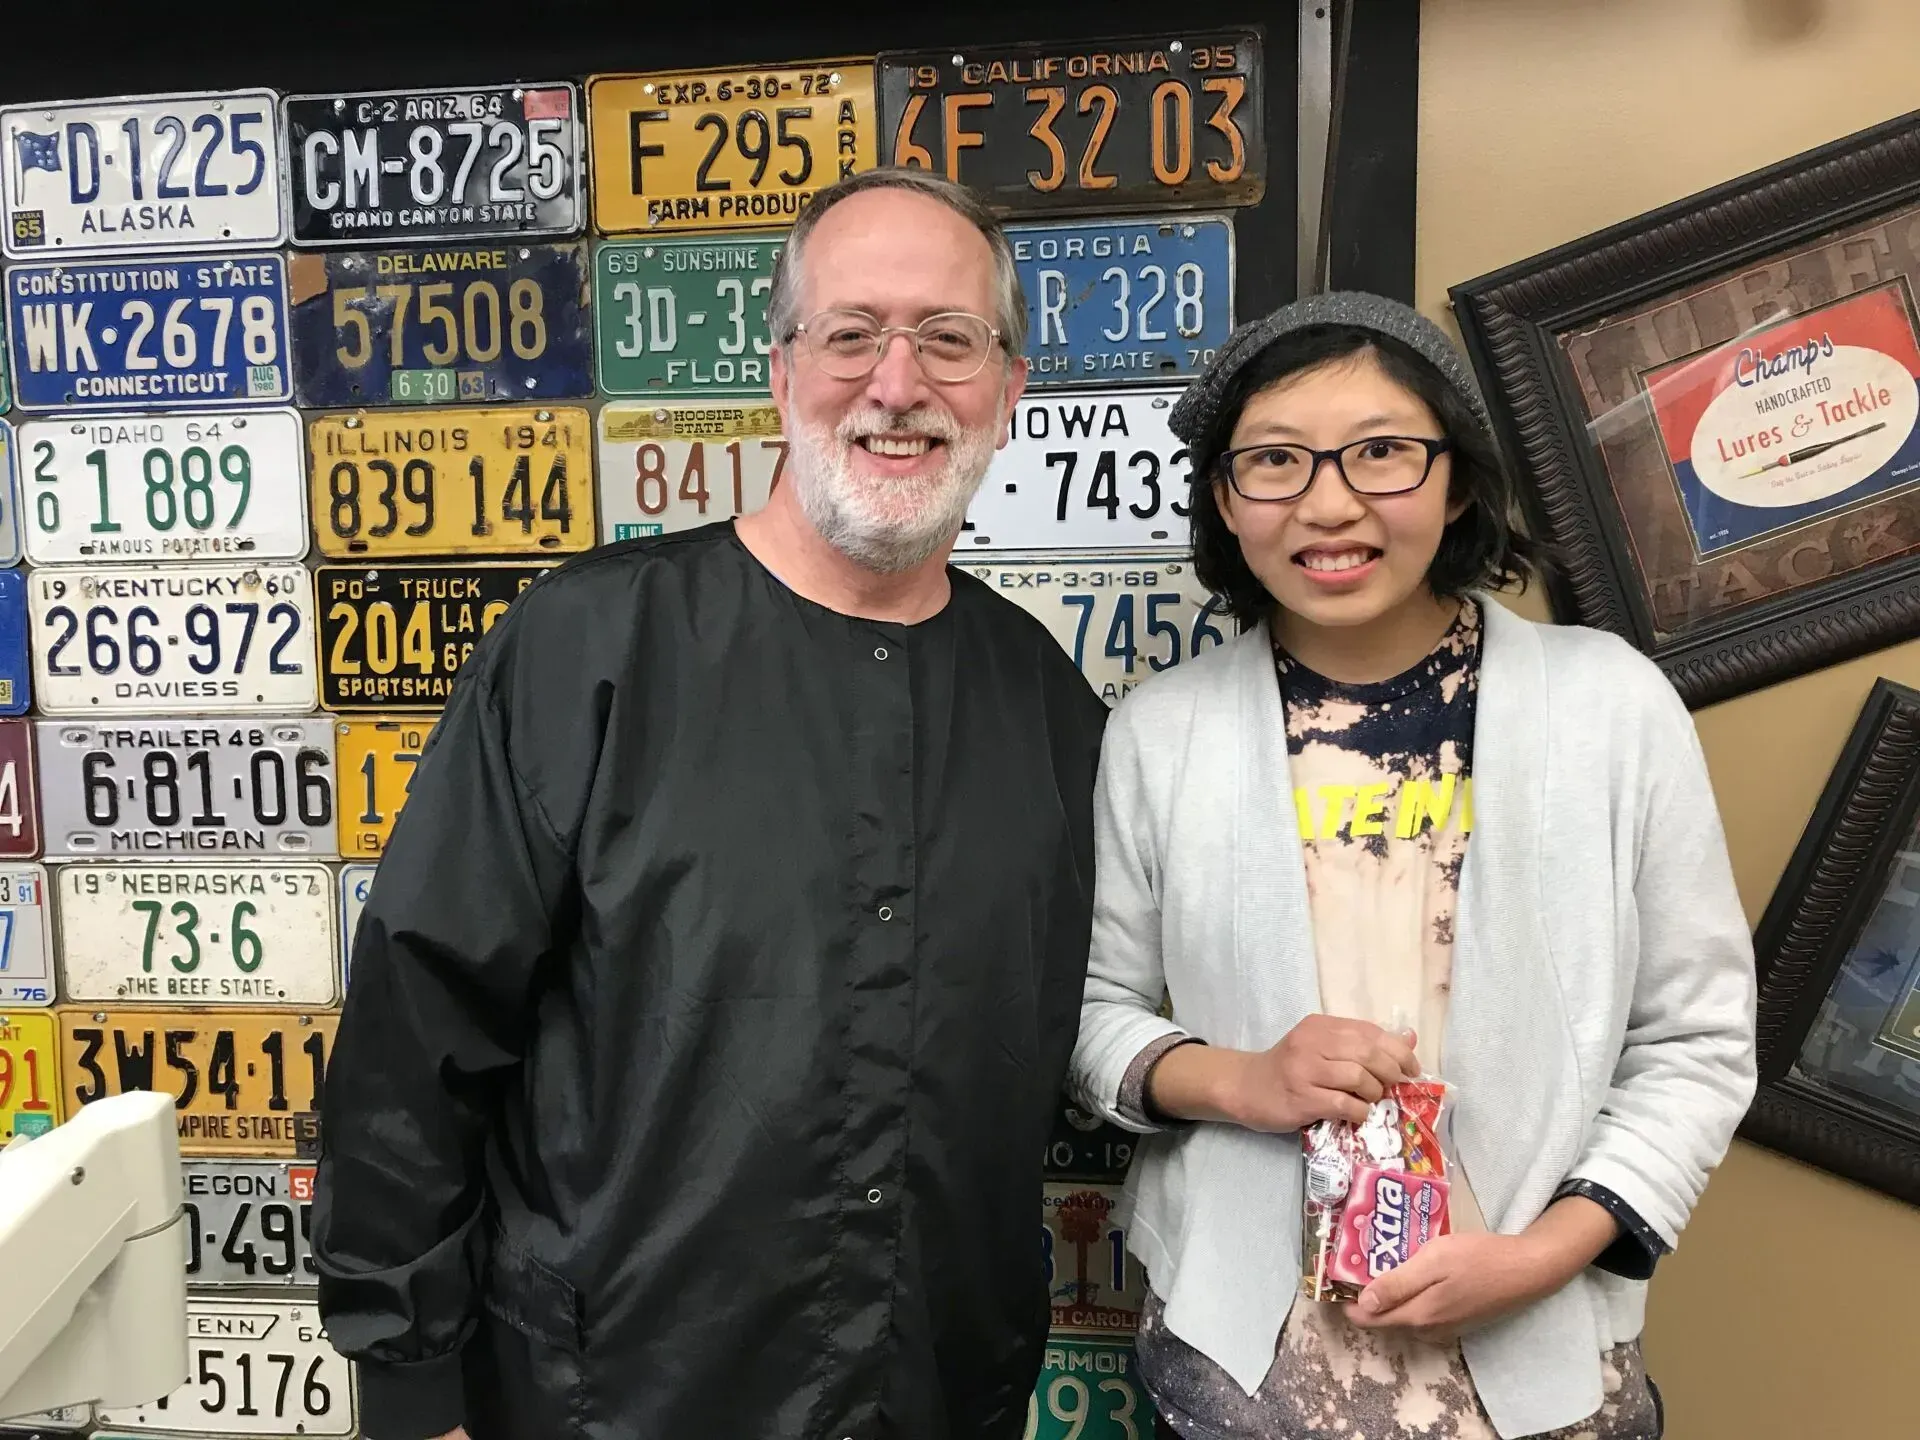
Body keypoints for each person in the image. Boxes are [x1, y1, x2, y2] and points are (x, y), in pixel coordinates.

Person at [311, 167, 1110, 1440]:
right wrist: (412, 1386)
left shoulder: (1049, 706)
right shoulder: (586, 650)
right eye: (850, 334)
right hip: (609, 1399)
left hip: (937, 1394)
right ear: (780, 372)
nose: (896, 384)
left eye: (950, 340)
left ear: (1009, 391)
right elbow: (418, 1033)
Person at [1068, 293, 1756, 1440]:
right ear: (1226, 500)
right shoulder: (1161, 732)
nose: (1329, 502)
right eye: (1275, 461)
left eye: (1381, 451)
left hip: (1543, 1379)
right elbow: (1093, 1014)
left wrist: (1549, 1252)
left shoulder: (1611, 709)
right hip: (1240, 1380)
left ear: (1459, 479)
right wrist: (1242, 1079)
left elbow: (1698, 1038)